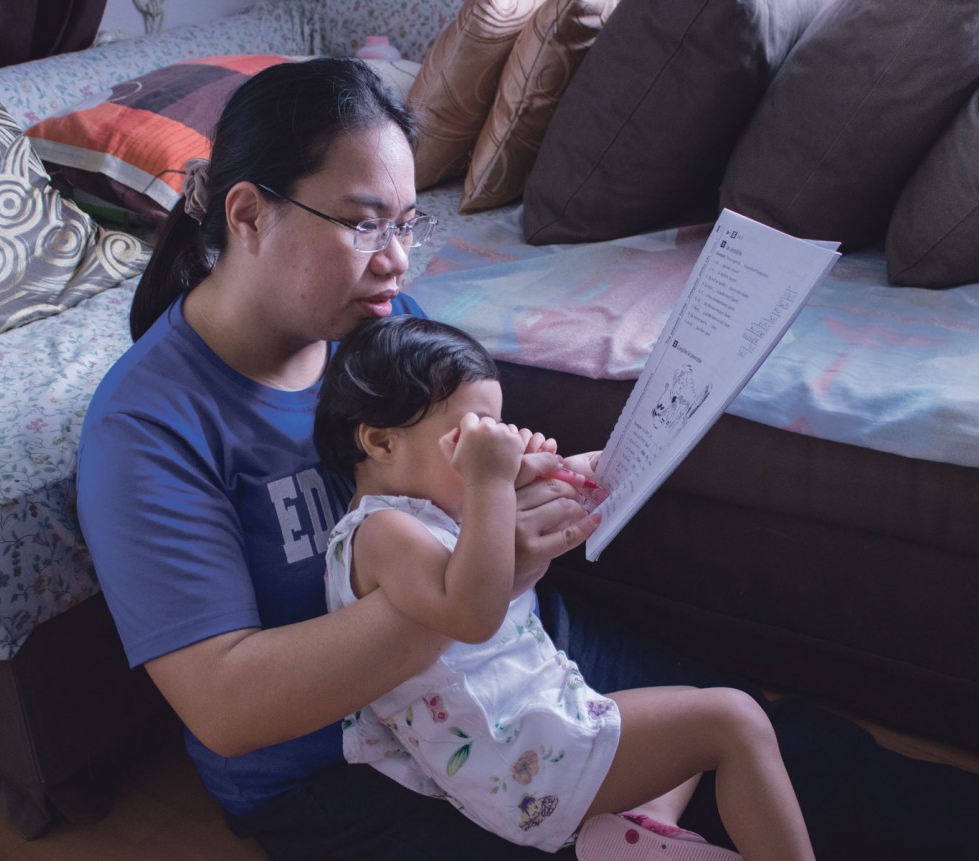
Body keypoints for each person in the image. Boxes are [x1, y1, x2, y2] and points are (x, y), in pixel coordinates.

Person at [75, 56, 979, 861]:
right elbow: (230, 710)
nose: (394, 262)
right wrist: (493, 570)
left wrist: (560, 482)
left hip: (509, 663)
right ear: (248, 214)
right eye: (361, 225)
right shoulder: (148, 429)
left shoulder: (380, 328)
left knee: (789, 750)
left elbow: (468, 484)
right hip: (351, 765)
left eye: (405, 225)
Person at [316, 313, 818, 860]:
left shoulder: (441, 510)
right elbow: (473, 611)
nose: (497, 444)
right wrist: (490, 479)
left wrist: (573, 469)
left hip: (538, 728)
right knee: (734, 719)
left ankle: (637, 831)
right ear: (380, 443)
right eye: (473, 434)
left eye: (499, 428)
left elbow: (539, 504)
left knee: (689, 705)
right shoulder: (379, 532)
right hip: (514, 767)